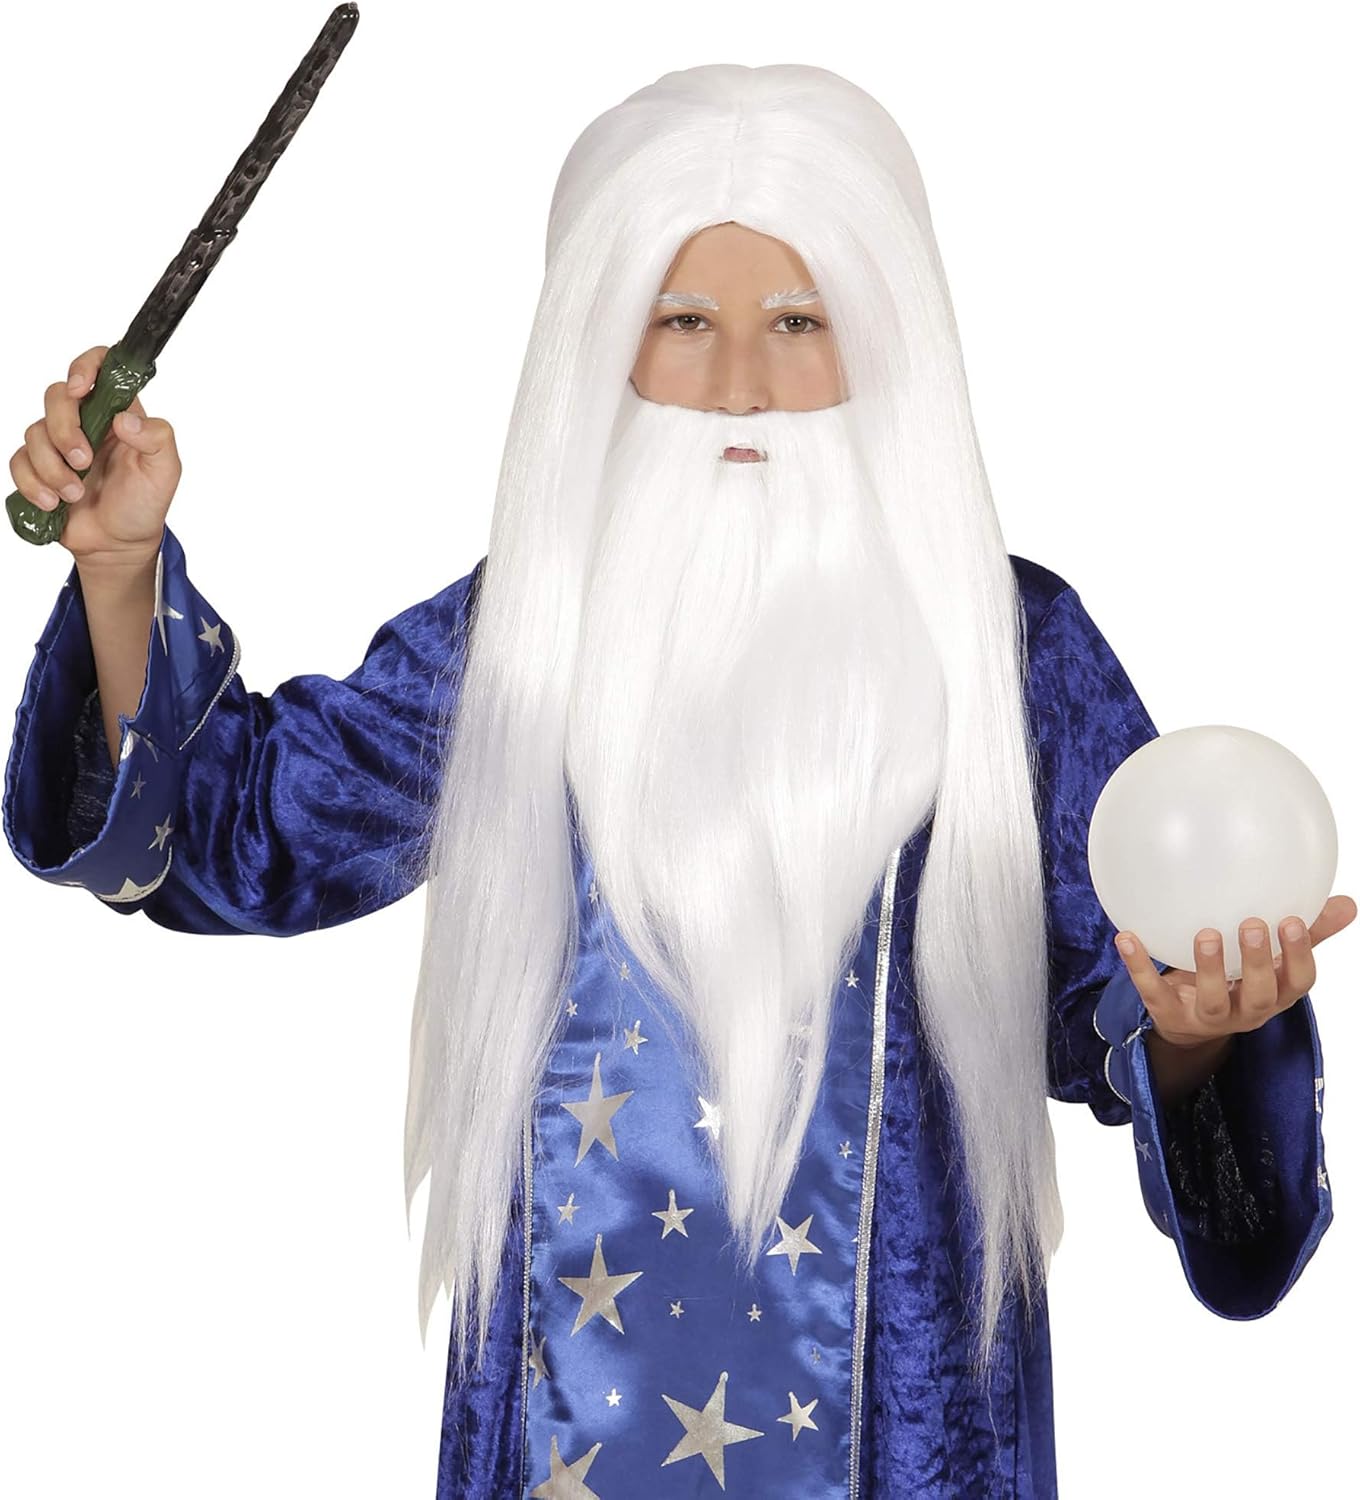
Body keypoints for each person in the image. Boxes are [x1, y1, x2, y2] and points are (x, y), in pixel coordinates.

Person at [4, 64, 1347, 1500]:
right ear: (608, 343)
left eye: (799, 323)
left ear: (882, 335)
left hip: (905, 1433)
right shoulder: (526, 639)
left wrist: (1200, 1039)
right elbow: (239, 837)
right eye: (685, 321)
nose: (742, 384)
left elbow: (1114, 998)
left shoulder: (1009, 648)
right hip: (560, 1419)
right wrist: (121, 570)